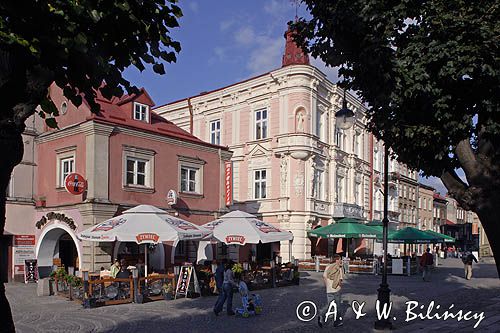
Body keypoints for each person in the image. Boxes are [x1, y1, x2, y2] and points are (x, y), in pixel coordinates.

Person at [318, 254, 344, 328]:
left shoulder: (328, 267)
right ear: (336, 260)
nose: (340, 261)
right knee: (338, 306)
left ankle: (321, 315)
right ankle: (337, 322)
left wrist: (327, 286)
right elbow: (340, 280)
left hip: (329, 290)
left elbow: (324, 277)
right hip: (336, 289)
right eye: (340, 259)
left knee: (329, 305)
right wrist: (339, 286)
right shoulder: (339, 268)